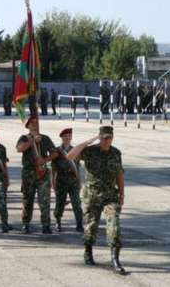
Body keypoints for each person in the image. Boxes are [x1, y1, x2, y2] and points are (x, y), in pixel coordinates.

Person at [66, 126, 126, 274]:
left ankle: (115, 259)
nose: (107, 141)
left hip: (111, 196)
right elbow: (70, 156)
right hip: (92, 196)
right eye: (104, 138)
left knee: (114, 225)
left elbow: (119, 173)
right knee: (91, 226)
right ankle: (88, 251)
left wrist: (122, 194)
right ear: (99, 137)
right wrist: (87, 142)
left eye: (109, 138)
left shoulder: (116, 153)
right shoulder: (89, 151)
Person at [16, 116, 58, 234]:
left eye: (36, 122)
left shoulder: (45, 138)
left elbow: (55, 153)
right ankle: (26, 223)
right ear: (28, 126)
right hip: (28, 173)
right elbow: (19, 149)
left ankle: (46, 224)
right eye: (32, 123)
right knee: (27, 199)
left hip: (42, 173)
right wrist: (32, 141)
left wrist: (45, 160)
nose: (34, 125)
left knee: (44, 200)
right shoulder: (24, 138)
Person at [51, 128, 83, 232]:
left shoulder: (75, 150)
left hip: (73, 181)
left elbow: (77, 167)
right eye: (65, 136)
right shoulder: (57, 151)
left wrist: (79, 181)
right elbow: (53, 168)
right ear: (62, 137)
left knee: (76, 203)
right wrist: (53, 182)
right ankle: (58, 221)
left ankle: (79, 223)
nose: (67, 138)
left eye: (69, 136)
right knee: (60, 203)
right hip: (61, 180)